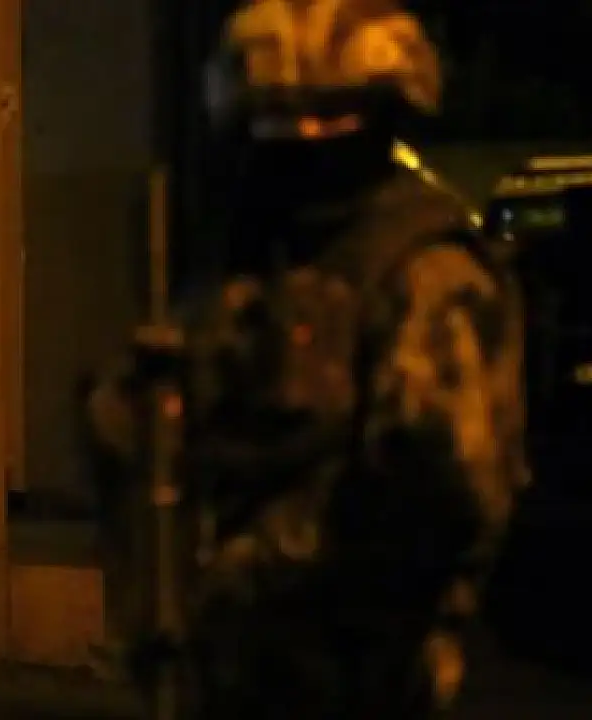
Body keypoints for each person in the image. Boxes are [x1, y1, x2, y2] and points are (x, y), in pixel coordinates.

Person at [86, 0, 529, 717]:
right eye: (281, 126)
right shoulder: (262, 262)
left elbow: (443, 493)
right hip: (233, 670)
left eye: (332, 123)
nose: (305, 149)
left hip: (365, 677)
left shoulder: (425, 271)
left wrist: (266, 564)